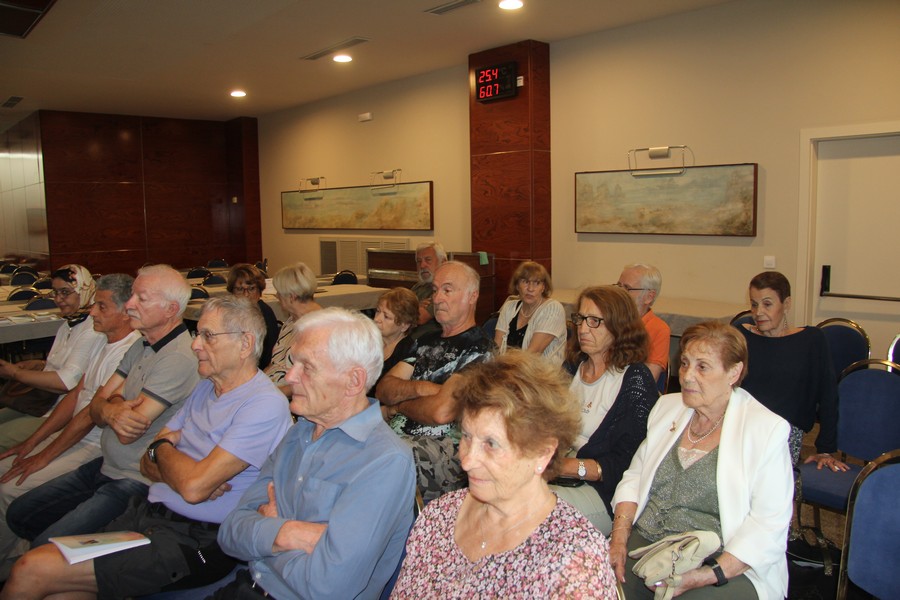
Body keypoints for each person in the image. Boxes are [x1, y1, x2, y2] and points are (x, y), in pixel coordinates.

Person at [1, 296, 293, 599]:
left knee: (31, 568)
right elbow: (147, 462)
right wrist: (173, 461)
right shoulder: (206, 387)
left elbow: (193, 487)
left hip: (197, 539)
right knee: (60, 591)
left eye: (208, 336)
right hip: (148, 515)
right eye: (198, 334)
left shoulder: (263, 404)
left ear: (245, 344)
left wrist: (166, 452)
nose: (195, 345)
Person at [212, 308, 415, 600]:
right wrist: (290, 533)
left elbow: (328, 588)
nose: (290, 376)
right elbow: (230, 534)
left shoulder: (384, 461)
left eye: (306, 367)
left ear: (353, 381)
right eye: (293, 362)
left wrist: (267, 533)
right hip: (246, 587)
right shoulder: (299, 433)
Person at [391, 351, 618, 598]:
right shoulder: (439, 517)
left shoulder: (575, 564)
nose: (467, 461)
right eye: (466, 436)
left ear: (543, 453)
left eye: (491, 444)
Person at [5, 264, 199, 548]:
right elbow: (96, 405)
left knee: (46, 545)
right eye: (132, 297)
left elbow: (126, 431)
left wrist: (108, 405)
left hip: (135, 478)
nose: (129, 305)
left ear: (170, 309)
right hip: (107, 464)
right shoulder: (141, 346)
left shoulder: (177, 358)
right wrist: (111, 408)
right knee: (19, 514)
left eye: (141, 298)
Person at [610, 321, 793, 600]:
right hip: (647, 545)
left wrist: (702, 577)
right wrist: (618, 540)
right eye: (685, 363)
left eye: (702, 367)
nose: (686, 376)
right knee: (590, 586)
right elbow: (634, 478)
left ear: (734, 372)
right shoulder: (667, 408)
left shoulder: (765, 430)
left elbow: (768, 526)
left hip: (722, 562)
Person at [0, 274, 139, 576]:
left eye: (101, 307)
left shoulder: (131, 351)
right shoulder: (103, 340)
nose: (92, 312)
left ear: (126, 311)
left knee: (10, 487)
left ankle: (12, 564)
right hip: (74, 434)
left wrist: (43, 456)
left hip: (94, 445)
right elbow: (76, 395)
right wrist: (32, 442)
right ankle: (17, 551)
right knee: (6, 469)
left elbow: (89, 414)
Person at [377, 261, 493, 502]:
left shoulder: (480, 349)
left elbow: (441, 412)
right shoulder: (424, 339)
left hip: (442, 449)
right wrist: (424, 388)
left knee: (379, 462)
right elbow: (384, 389)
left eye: (447, 290)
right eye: (435, 290)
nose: (437, 298)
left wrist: (398, 406)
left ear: (472, 296)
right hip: (395, 437)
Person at [551, 286, 657, 534]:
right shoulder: (572, 367)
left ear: (619, 327)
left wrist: (564, 466)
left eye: (595, 321)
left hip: (604, 493)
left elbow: (628, 464)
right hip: (560, 476)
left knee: (528, 512)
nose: (582, 329)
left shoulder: (634, 380)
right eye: (580, 319)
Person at [736, 271, 846, 472]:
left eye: (767, 304)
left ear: (786, 304)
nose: (758, 312)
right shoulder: (741, 336)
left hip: (783, 433)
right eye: (754, 304)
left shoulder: (811, 340)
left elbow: (828, 394)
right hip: (741, 426)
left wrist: (826, 449)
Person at [0, 264, 106, 450]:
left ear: (84, 291)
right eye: (55, 293)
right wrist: (40, 364)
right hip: (43, 403)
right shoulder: (69, 324)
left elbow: (67, 382)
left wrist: (15, 373)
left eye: (65, 292)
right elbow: (66, 365)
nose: (58, 299)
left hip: (61, 412)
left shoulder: (92, 329)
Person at [494, 261, 567, 366]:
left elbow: (532, 355)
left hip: (540, 373)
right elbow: (497, 349)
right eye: (525, 282)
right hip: (508, 370)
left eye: (537, 283)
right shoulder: (509, 307)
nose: (530, 289)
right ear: (517, 285)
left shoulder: (553, 309)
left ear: (543, 287)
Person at [265, 262, 322, 397]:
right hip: (271, 389)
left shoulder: (319, 327)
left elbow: (313, 379)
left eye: (279, 293)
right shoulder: (291, 321)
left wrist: (271, 395)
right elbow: (275, 362)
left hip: (292, 395)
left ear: (292, 296)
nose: (277, 296)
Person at [616, 263, 670, 382]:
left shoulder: (659, 329)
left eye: (627, 288)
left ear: (649, 297)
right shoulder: (608, 320)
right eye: (619, 286)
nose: (619, 293)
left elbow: (647, 380)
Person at [226, 262, 278, 369]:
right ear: (232, 292)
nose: (246, 294)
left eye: (251, 289)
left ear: (259, 290)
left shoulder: (264, 314)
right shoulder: (232, 313)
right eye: (240, 289)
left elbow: (264, 358)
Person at [370, 287, 419, 395]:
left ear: (404, 325)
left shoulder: (409, 352)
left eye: (386, 316)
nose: (377, 319)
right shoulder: (369, 341)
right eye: (378, 311)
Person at [409, 241, 446, 338]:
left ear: (443, 262)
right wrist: (415, 307)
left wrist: (411, 307)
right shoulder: (419, 286)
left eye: (428, 260)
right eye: (419, 261)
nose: (422, 265)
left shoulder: (444, 289)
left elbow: (420, 318)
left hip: (428, 341)